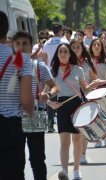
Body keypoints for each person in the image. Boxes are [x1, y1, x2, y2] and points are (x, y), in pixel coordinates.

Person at [48, 43, 100, 180]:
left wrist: (93, 85)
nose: (63, 54)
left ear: (70, 54)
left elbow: (85, 89)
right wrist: (49, 103)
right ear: (57, 55)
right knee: (64, 141)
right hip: (61, 107)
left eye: (65, 51)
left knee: (77, 140)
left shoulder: (78, 69)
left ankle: (76, 170)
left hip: (77, 106)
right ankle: (64, 170)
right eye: (60, 52)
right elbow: (45, 93)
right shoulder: (52, 71)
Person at [12, 31, 58, 180]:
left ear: (31, 46)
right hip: (14, 117)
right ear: (13, 46)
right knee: (16, 160)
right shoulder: (9, 65)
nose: (21, 47)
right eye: (17, 43)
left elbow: (55, 87)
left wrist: (48, 95)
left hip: (35, 114)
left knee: (37, 158)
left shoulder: (39, 66)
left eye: (25, 43)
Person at [0, 11, 34, 180]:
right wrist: (30, 112)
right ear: (6, 32)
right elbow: (27, 101)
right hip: (9, 126)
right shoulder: (20, 59)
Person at [70, 38, 98, 164]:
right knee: (73, 128)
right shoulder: (66, 62)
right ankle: (77, 151)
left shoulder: (87, 62)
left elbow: (94, 79)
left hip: (85, 96)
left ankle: (83, 154)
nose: (76, 49)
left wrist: (92, 91)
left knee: (84, 127)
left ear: (82, 49)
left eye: (78, 47)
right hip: (71, 97)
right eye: (74, 47)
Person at [42, 22, 69, 133]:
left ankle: (50, 124)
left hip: (50, 71)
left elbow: (44, 58)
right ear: (61, 30)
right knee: (63, 95)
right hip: (62, 70)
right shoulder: (64, 41)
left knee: (50, 97)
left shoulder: (47, 43)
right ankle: (66, 120)